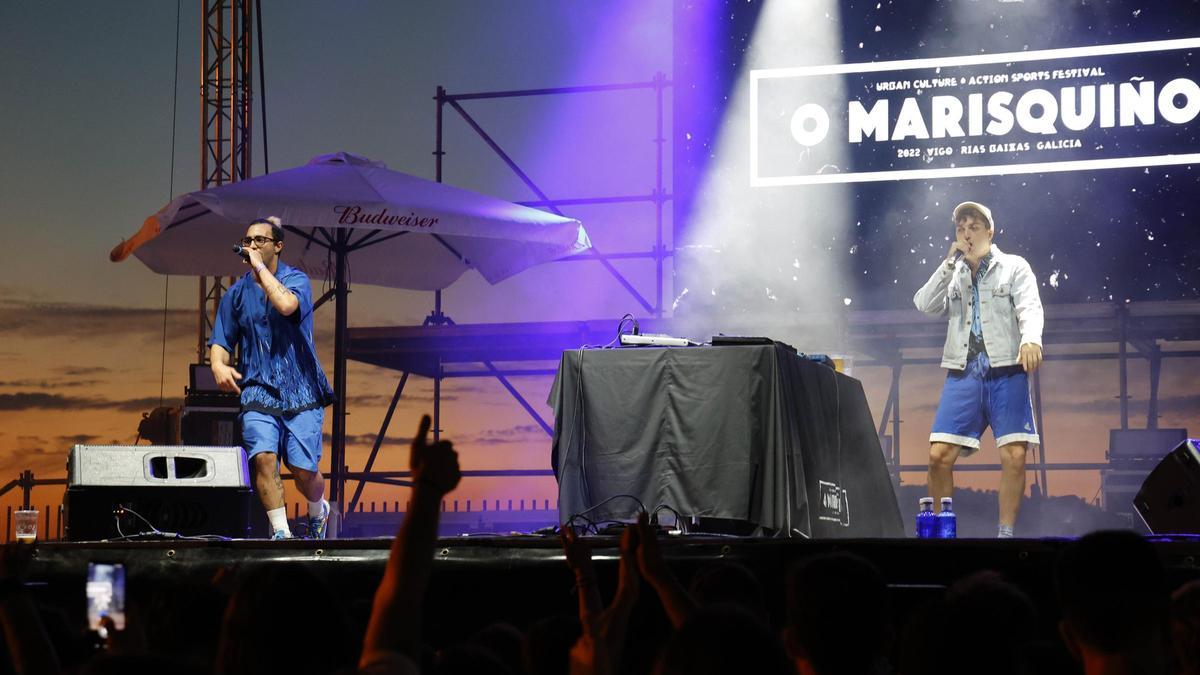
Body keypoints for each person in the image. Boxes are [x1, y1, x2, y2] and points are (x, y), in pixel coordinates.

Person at [914, 201, 1043, 538]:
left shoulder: (1014, 266)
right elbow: (925, 305)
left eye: (974, 227)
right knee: (938, 454)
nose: (967, 234)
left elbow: (1030, 306)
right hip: (964, 370)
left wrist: (1031, 340)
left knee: (1015, 454)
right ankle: (942, 532)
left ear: (990, 231)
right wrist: (947, 263)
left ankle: (1005, 534)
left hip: (1006, 369)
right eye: (961, 228)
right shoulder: (953, 271)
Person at [210, 217, 336, 539]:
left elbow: (286, 305)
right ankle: (281, 534)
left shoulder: (298, 280)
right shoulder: (235, 294)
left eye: (260, 241)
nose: (252, 246)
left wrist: (260, 270)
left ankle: (317, 508)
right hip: (258, 389)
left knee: (302, 470)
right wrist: (219, 366)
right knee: (264, 458)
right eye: (248, 240)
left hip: (301, 389)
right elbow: (221, 343)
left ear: (278, 246)